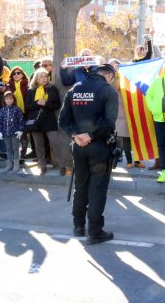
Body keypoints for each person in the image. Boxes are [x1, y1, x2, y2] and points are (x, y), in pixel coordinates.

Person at [58, 64, 119, 245]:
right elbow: (109, 121)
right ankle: (95, 231)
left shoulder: (75, 89)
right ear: (108, 75)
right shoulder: (108, 91)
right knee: (97, 189)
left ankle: (78, 226)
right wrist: (90, 135)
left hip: (78, 145)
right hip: (99, 145)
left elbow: (63, 120)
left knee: (81, 186)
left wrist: (76, 135)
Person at [25, 68, 66, 176]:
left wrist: (46, 103)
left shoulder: (52, 89)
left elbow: (57, 105)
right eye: (41, 76)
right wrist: (38, 103)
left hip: (49, 120)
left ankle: (62, 166)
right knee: (39, 146)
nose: (44, 78)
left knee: (54, 143)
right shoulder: (31, 91)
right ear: (36, 79)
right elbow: (27, 107)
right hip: (35, 121)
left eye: (45, 76)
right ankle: (42, 166)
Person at [6, 66, 31, 160]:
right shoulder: (8, 86)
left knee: (24, 134)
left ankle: (23, 155)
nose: (16, 75)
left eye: (18, 73)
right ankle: (14, 155)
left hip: (25, 113)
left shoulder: (27, 86)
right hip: (12, 113)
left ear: (22, 75)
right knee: (13, 134)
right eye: (14, 73)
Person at [0, 91, 24, 172]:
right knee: (8, 149)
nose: (9, 100)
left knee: (15, 148)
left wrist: (20, 130)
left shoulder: (17, 109)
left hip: (14, 134)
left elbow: (21, 121)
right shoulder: (2, 110)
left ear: (13, 100)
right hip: (5, 133)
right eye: (7, 98)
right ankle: (9, 164)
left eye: (11, 98)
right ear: (4, 100)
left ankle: (16, 164)